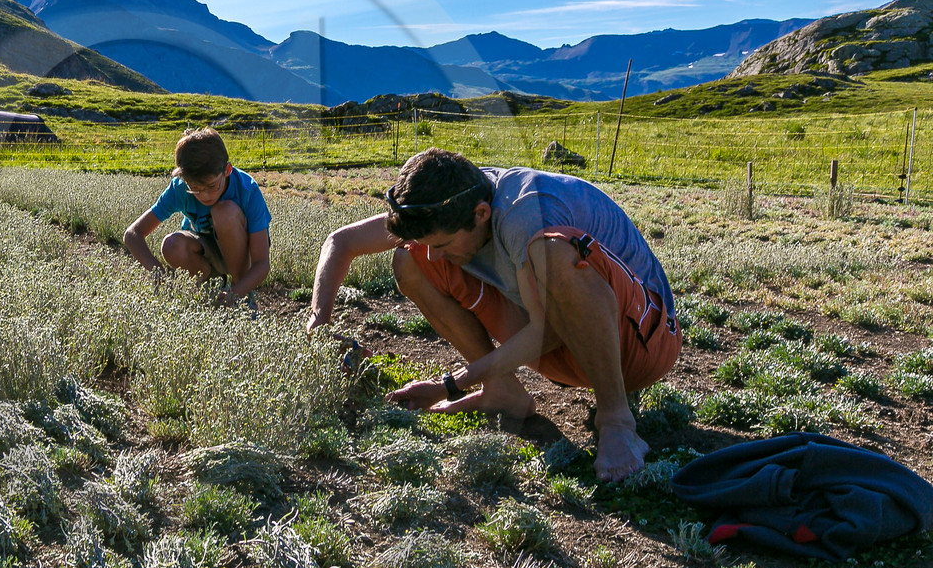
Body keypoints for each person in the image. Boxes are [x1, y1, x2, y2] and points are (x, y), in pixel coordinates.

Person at [306, 148, 679, 481]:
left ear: (481, 214)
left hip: (640, 345)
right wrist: (318, 323)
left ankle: (616, 419)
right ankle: (503, 391)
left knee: (554, 252)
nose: (436, 255)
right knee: (410, 259)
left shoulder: (525, 214)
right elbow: (341, 242)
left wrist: (448, 385)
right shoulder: (454, 198)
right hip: (563, 341)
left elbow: (543, 333)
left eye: (444, 244)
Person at [122, 126, 271, 305]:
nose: (204, 196)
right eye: (196, 189)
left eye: (211, 186)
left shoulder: (247, 189)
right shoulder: (180, 187)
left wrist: (235, 293)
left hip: (241, 258)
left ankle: (243, 297)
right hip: (206, 254)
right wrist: (159, 273)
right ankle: (207, 293)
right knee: (172, 245)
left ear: (227, 170)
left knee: (224, 212)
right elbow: (132, 234)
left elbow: (262, 263)